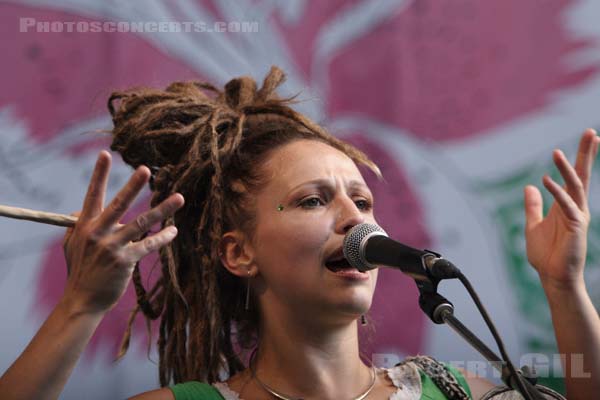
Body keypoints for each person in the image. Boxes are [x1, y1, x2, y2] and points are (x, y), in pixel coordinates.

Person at [0, 66, 598, 400]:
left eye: (362, 199)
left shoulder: (454, 395)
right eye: (314, 200)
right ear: (239, 252)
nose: (354, 217)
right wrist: (81, 304)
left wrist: (564, 288)